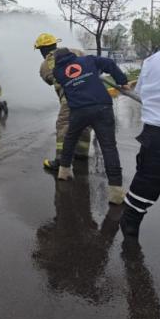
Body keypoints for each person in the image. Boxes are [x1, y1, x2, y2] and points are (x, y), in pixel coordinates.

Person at [52, 48, 130, 205]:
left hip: (78, 111)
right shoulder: (87, 60)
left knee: (70, 139)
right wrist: (122, 80)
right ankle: (115, 192)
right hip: (102, 107)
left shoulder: (58, 72)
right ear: (71, 54)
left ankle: (64, 171)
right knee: (109, 147)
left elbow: (70, 78)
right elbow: (108, 63)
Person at [120, 48, 160, 239]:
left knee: (147, 182)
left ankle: (130, 225)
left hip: (158, 134)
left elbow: (142, 92)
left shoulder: (154, 59)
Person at [34, 33, 91, 170]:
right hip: (89, 93)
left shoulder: (45, 65)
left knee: (64, 125)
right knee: (84, 123)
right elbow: (91, 65)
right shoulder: (76, 52)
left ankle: (60, 160)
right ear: (55, 44)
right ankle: (81, 153)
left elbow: (49, 81)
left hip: (70, 97)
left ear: (42, 49)